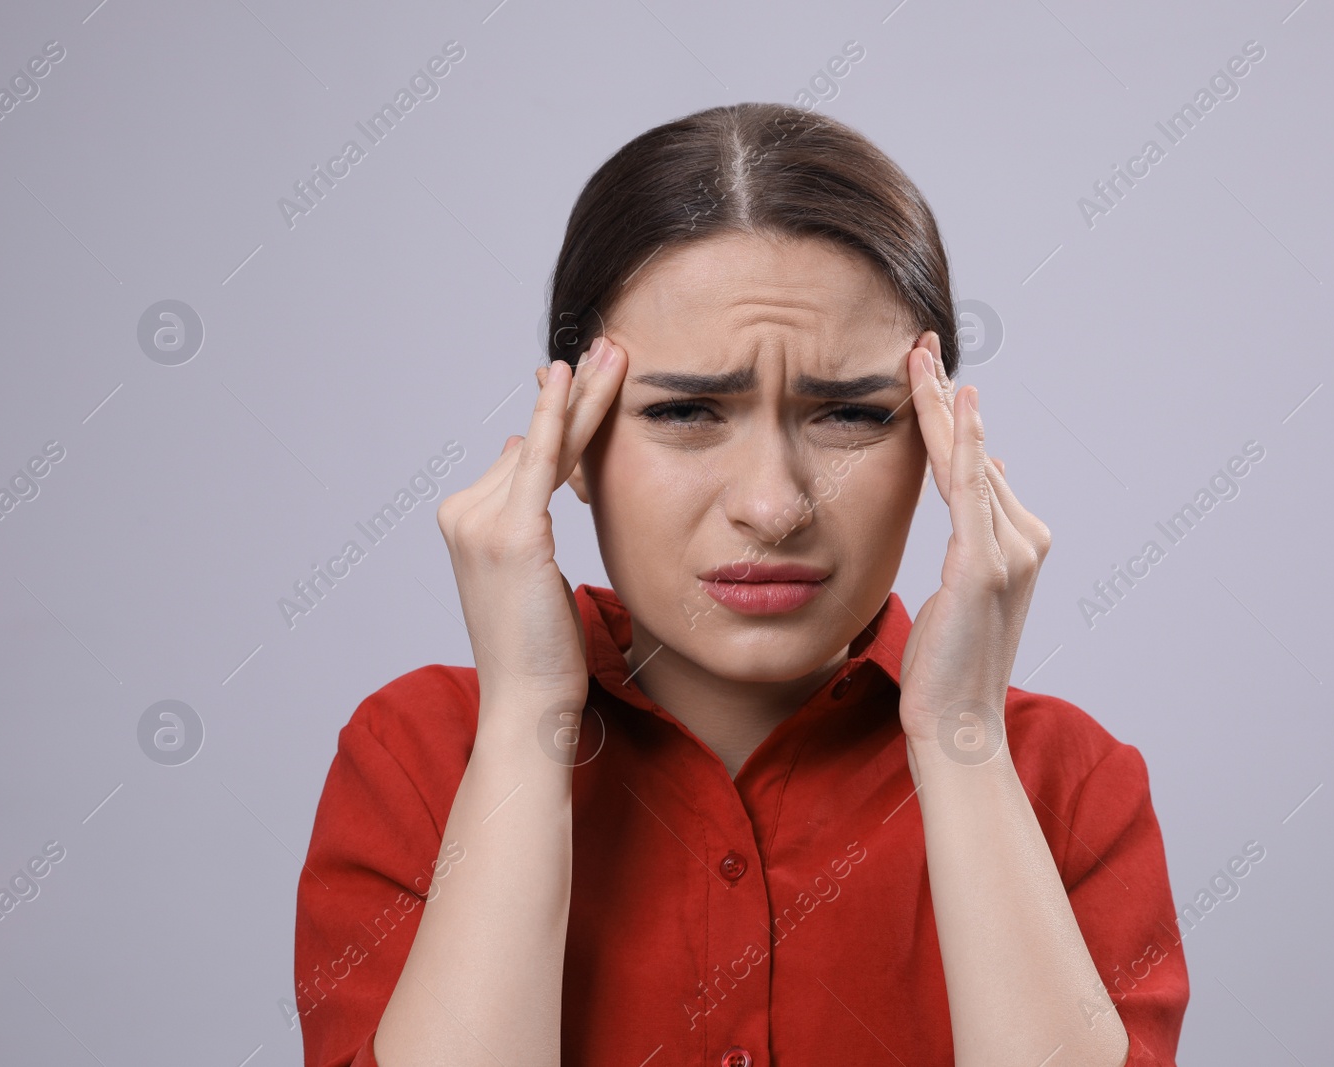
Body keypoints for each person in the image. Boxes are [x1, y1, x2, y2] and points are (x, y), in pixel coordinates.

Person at [294, 102, 1188, 1067]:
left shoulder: (1068, 783)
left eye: (848, 415)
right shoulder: (417, 759)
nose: (773, 506)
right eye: (685, 410)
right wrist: (525, 726)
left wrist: (963, 744)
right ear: (574, 442)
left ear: (939, 448)